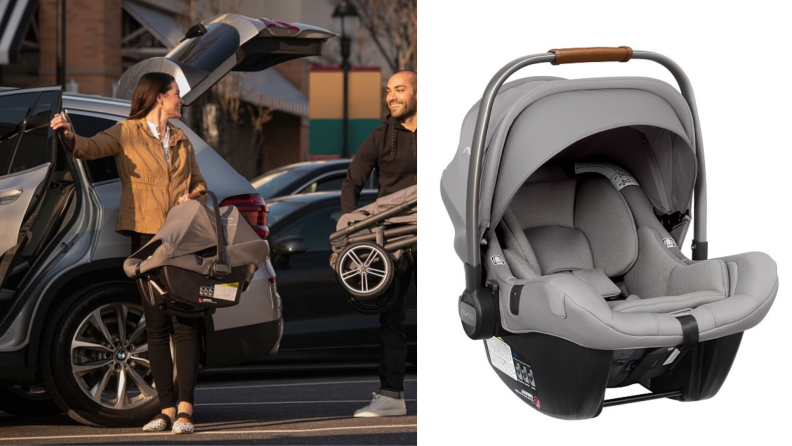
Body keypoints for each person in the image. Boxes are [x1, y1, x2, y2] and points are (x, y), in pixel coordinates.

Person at [50, 72, 206, 434]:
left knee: (185, 322)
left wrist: (191, 196)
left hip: (182, 238)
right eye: (175, 95)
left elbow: (199, 182)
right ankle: (165, 409)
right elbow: (88, 148)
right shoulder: (126, 132)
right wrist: (68, 135)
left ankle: (185, 410)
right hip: (147, 238)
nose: (180, 100)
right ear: (158, 98)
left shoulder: (182, 140)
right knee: (155, 323)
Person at [341, 70, 417, 417]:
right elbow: (351, 183)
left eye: (399, 90)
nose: (391, 97)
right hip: (393, 239)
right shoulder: (379, 136)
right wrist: (351, 228)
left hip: (439, 233)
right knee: (392, 319)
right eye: (388, 91)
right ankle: (391, 397)